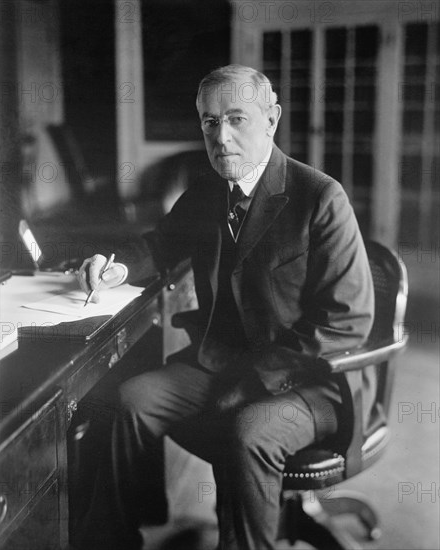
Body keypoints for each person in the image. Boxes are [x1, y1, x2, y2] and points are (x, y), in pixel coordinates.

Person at [76, 65, 374, 550]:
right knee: (130, 401)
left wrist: (254, 380)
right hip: (220, 364)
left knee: (249, 430)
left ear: (271, 120)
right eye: (210, 123)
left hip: (311, 382)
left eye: (237, 119)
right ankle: (110, 540)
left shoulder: (320, 197)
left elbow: (349, 320)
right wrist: (116, 266)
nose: (223, 136)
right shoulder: (208, 192)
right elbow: (160, 243)